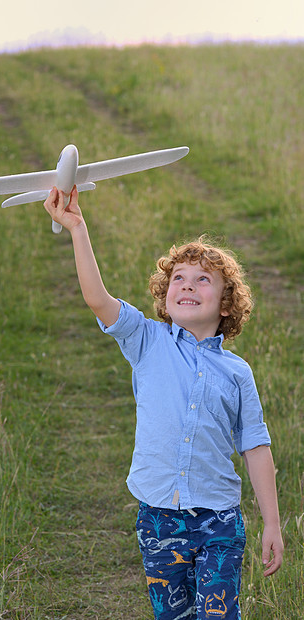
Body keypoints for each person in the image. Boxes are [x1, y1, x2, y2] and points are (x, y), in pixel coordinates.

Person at [43, 186, 284, 619]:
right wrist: (77, 228)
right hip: (158, 519)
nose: (187, 286)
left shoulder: (237, 372)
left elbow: (255, 446)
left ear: (226, 305)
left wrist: (272, 523)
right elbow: (98, 299)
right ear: (166, 296)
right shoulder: (146, 341)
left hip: (219, 522)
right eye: (178, 279)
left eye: (203, 280)